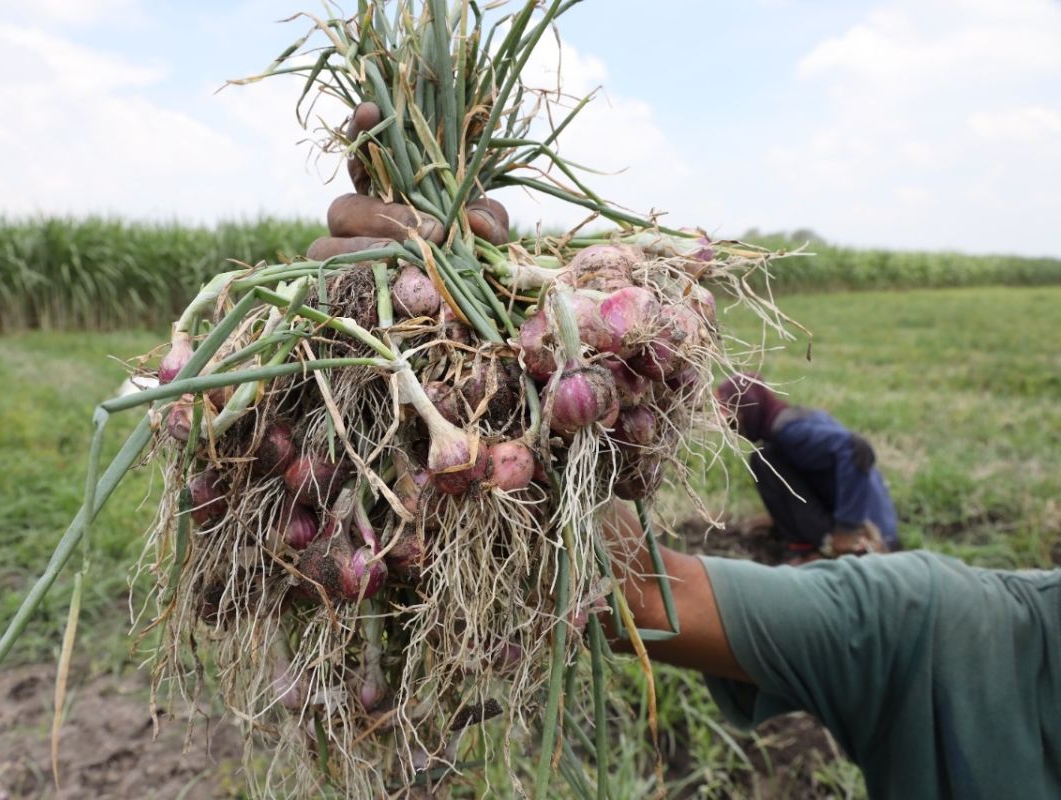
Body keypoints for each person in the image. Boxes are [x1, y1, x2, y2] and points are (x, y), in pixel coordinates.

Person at [317, 108, 1061, 798]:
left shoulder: (810, 451)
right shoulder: (942, 630)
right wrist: (472, 373)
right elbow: (634, 593)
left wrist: (852, 538)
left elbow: (853, 458)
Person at [715, 372, 900, 562]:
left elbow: (857, 449)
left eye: (733, 421)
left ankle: (807, 550)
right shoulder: (797, 421)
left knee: (763, 460)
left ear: (750, 408)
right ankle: (813, 540)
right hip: (882, 529)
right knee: (769, 454)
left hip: (872, 540)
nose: (734, 430)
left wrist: (847, 528)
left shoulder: (792, 432)